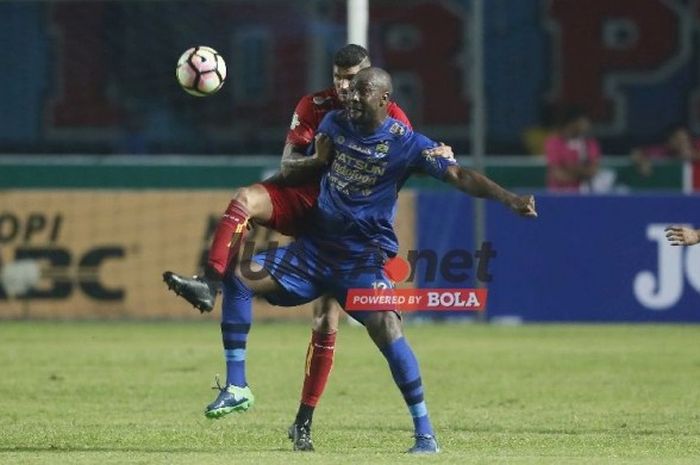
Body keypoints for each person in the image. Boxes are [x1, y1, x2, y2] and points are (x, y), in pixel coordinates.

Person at [167, 67, 537, 454]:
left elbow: (460, 175)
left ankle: (425, 433)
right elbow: (306, 169)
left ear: (384, 100)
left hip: (360, 263)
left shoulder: (406, 144)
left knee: (389, 334)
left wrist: (510, 199)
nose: (352, 97)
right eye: (351, 91)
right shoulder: (333, 122)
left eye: (362, 92)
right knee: (239, 277)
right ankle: (238, 385)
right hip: (312, 252)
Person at [545, 105, 601, 192]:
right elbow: (558, 175)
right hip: (559, 195)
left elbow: (593, 171)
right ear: (573, 123)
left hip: (585, 194)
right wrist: (582, 173)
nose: (588, 124)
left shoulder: (590, 143)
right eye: (584, 121)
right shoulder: (554, 142)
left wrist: (571, 168)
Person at [631, 124, 700, 177]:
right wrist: (642, 161)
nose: (682, 143)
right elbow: (636, 152)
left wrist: (695, 155)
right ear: (668, 142)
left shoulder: (697, 144)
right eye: (677, 140)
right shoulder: (663, 150)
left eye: (685, 139)